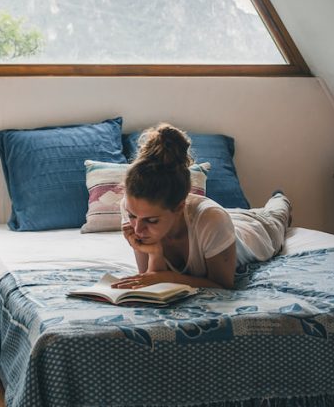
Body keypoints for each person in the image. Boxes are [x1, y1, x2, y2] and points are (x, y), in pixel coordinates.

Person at [112, 123, 292, 290]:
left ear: (179, 207)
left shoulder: (212, 219)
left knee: (275, 216)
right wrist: (155, 253)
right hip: (215, 223)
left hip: (253, 230)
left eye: (151, 220)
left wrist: (169, 278)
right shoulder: (132, 208)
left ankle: (280, 199)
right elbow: (150, 279)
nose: (137, 229)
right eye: (133, 216)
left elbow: (223, 286)